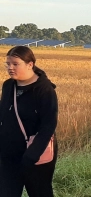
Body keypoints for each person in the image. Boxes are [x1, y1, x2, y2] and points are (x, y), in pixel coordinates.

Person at [0, 46, 58, 197]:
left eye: (15, 64)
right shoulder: (8, 86)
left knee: (39, 192)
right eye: (7, 64)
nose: (10, 68)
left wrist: (32, 155)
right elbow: (4, 116)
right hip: (8, 154)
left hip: (35, 154)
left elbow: (48, 125)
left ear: (30, 64)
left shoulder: (44, 90)